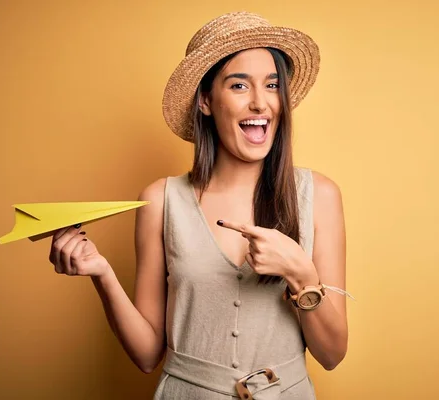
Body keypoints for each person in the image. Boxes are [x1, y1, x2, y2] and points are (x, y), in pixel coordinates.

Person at [48, 11, 349, 400]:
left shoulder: (320, 195)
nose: (260, 102)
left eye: (272, 85)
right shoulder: (160, 200)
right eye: (239, 85)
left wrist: (301, 275)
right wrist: (101, 273)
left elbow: (332, 355)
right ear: (206, 101)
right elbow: (145, 354)